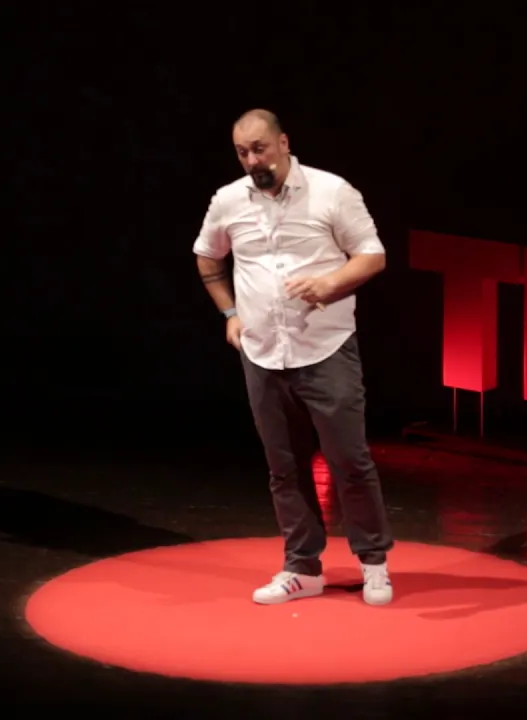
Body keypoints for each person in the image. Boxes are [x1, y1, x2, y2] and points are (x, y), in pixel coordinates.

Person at [192, 109, 395, 606]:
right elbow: (208, 255)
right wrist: (230, 314)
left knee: (349, 461)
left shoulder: (332, 191)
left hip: (326, 348)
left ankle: (374, 564)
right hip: (263, 353)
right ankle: (302, 568)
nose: (252, 160)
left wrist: (330, 283)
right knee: (284, 467)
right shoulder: (228, 200)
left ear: (283, 143)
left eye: (259, 148)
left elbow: (372, 254)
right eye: (242, 152)